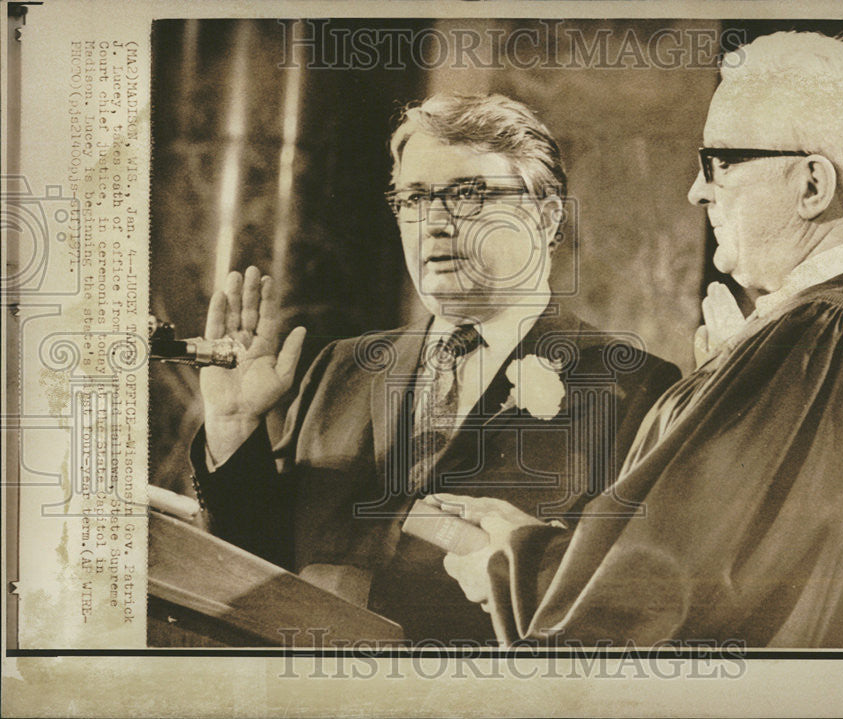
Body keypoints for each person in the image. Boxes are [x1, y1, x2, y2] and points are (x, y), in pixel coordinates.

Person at [436, 32, 843, 648]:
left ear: (812, 185)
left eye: (718, 162)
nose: (697, 190)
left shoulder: (818, 341)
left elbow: (665, 602)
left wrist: (515, 562)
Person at [189, 93, 681, 643]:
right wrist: (232, 428)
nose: (436, 224)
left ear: (546, 217)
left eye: (469, 195)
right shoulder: (342, 367)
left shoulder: (637, 389)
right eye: (414, 198)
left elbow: (625, 609)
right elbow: (260, 564)